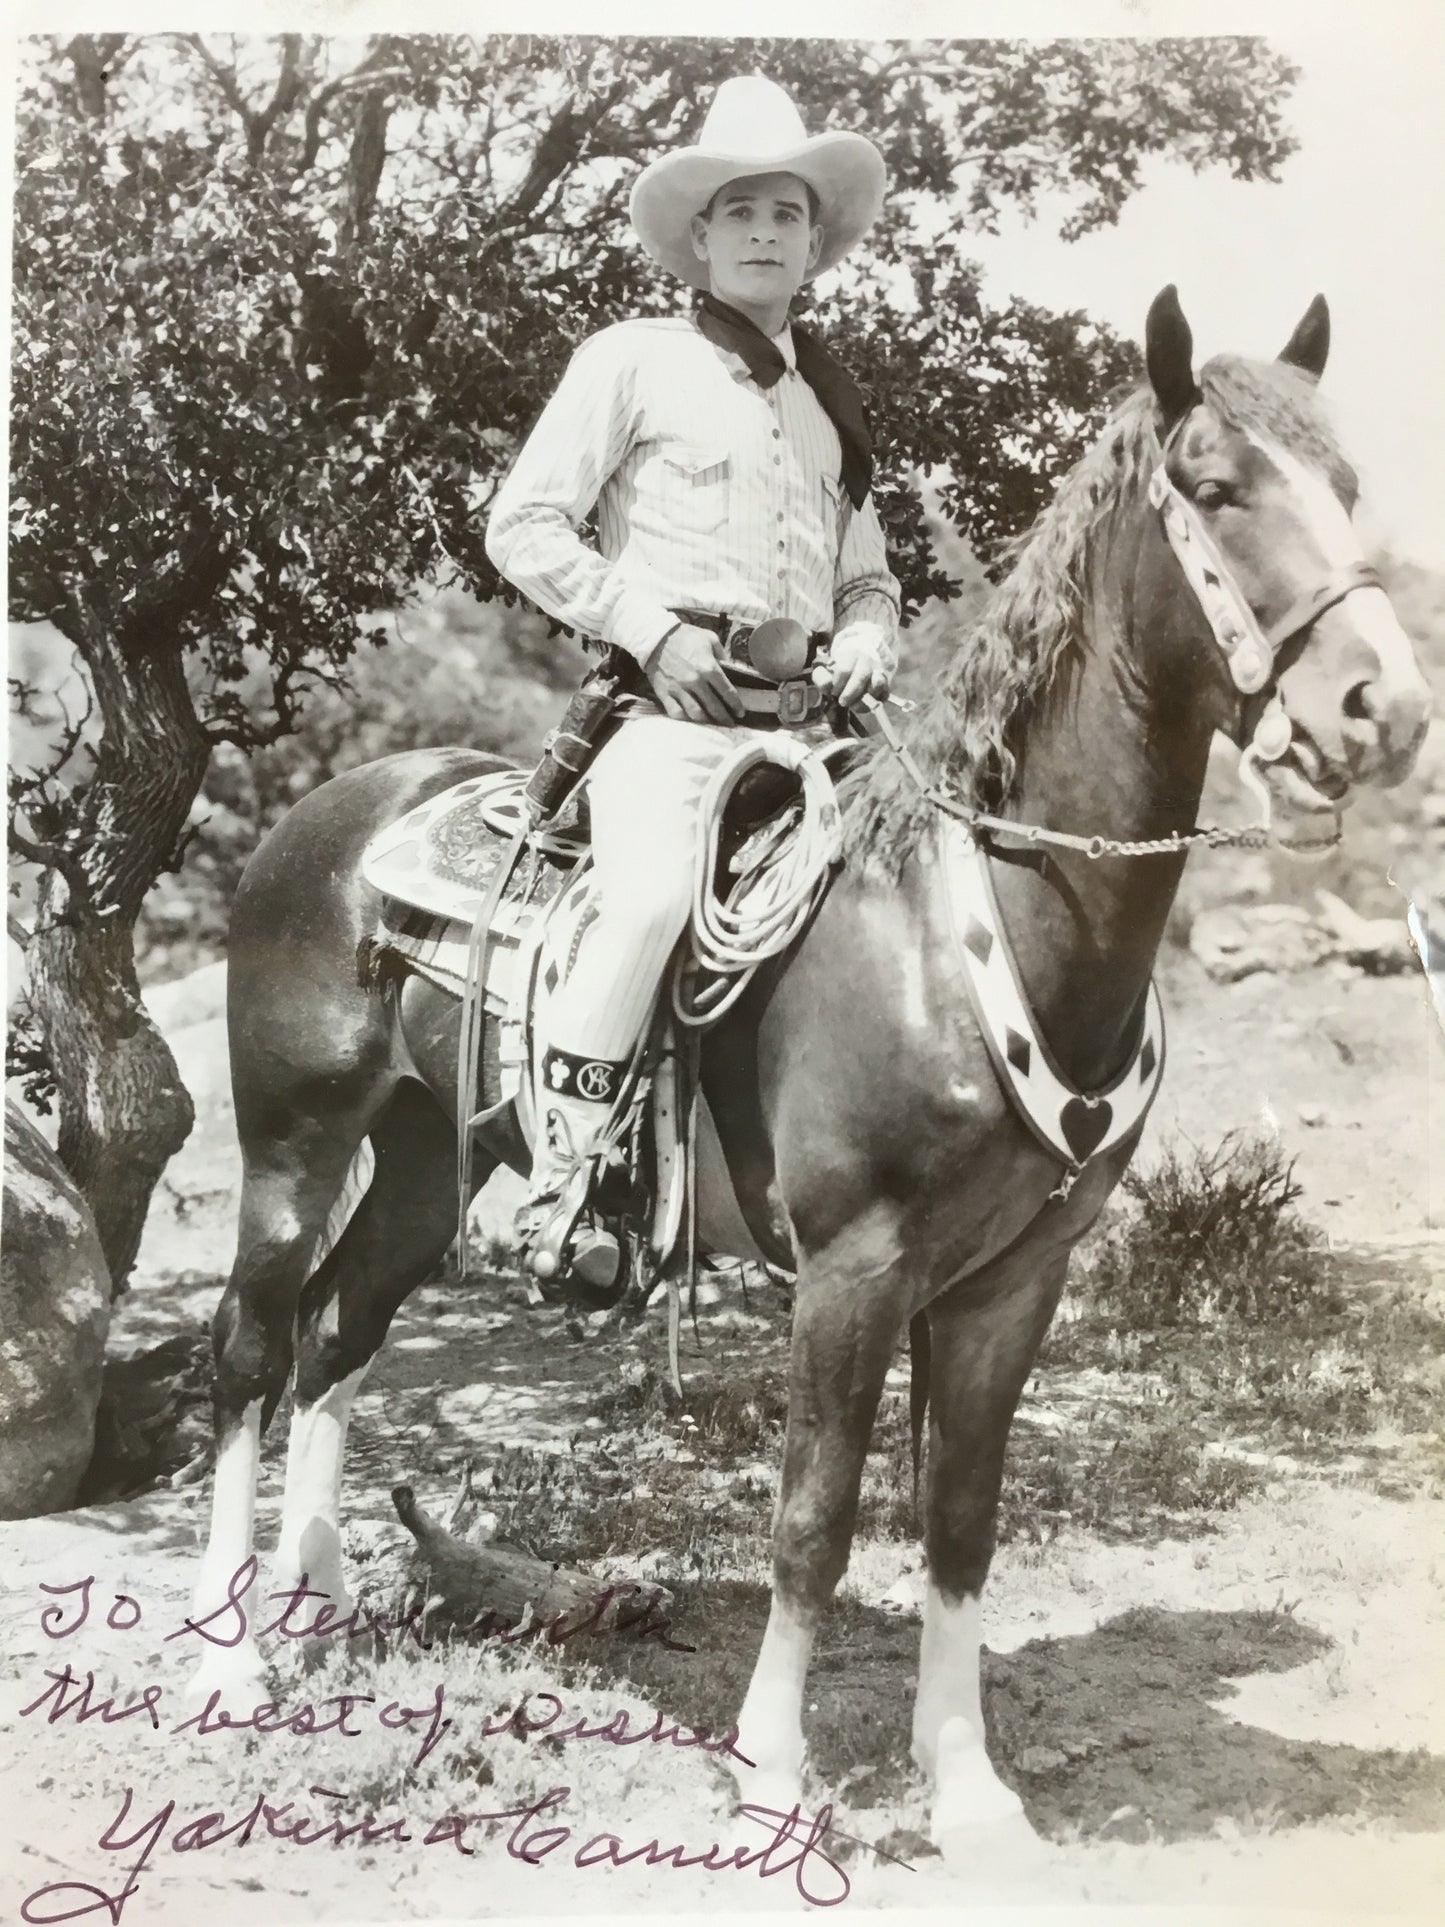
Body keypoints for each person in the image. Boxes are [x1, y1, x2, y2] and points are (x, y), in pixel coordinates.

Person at [485, 73, 902, 1286]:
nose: (765, 231)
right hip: (668, 716)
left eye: (786, 213)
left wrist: (869, 632)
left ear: (815, 242)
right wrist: (651, 630)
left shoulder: (829, 412)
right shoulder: (631, 361)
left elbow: (866, 577)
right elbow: (524, 522)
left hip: (810, 733)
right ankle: (563, 1190)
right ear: (701, 237)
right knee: (656, 897)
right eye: (739, 212)